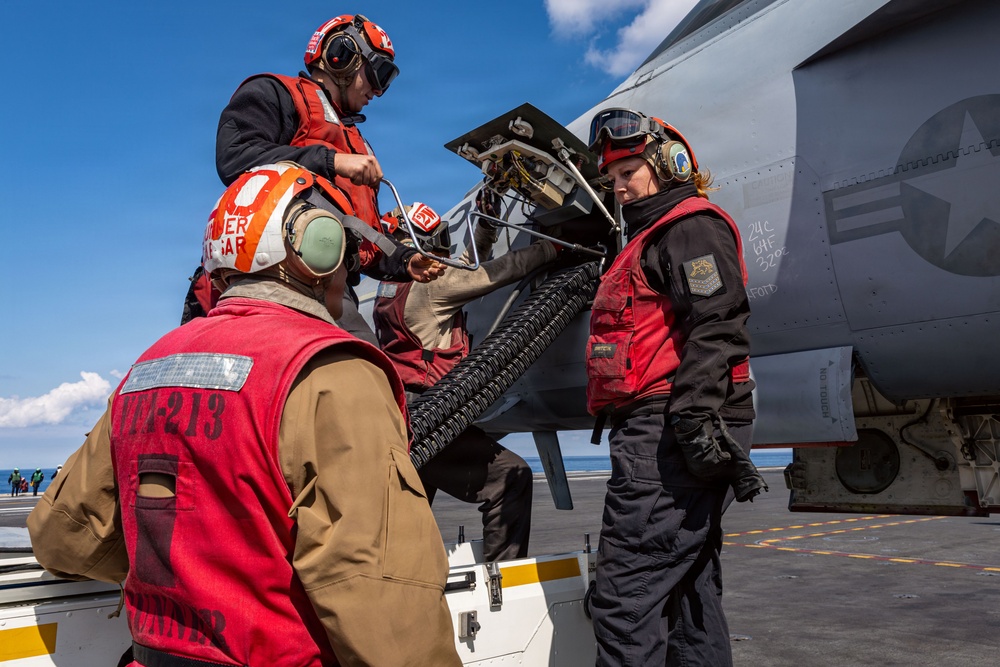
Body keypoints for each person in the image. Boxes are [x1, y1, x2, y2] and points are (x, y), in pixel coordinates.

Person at [28, 163, 462, 667]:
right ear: (315, 250)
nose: (349, 270)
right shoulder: (333, 372)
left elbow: (62, 538)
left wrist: (182, 573)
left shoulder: (148, 367)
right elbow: (384, 606)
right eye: (343, 250)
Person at [584, 108, 768, 667]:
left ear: (668, 164)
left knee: (623, 600)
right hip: (669, 428)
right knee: (689, 593)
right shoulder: (649, 238)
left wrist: (692, 418)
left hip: (669, 430)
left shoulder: (689, 227)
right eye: (612, 178)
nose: (618, 188)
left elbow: (717, 321)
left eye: (628, 172)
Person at [210, 13, 444, 343]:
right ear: (341, 56)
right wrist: (331, 161)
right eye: (378, 73)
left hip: (333, 284)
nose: (378, 91)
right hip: (281, 278)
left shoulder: (356, 144)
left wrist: (406, 261)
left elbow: (363, 236)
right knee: (361, 364)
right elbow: (235, 156)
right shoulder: (276, 93)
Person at [373, 202, 560, 561]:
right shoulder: (428, 287)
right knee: (510, 477)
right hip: (432, 412)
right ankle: (502, 580)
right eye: (437, 242)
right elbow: (493, 273)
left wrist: (485, 227)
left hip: (404, 412)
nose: (442, 252)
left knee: (408, 519)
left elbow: (464, 267)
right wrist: (552, 249)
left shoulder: (391, 286)